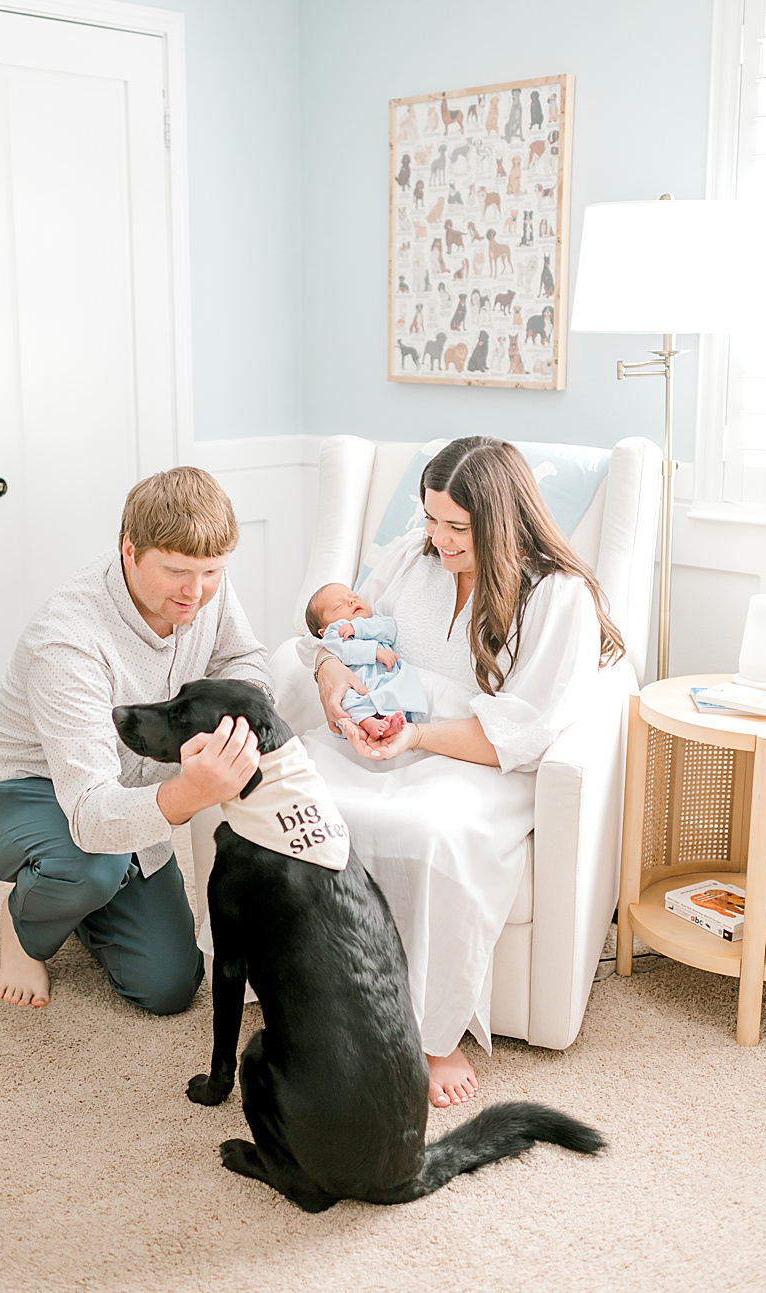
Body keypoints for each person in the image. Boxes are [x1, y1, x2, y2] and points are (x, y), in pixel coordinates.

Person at [305, 437, 624, 1109]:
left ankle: (433, 1034)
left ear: (502, 521)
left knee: (429, 832)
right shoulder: (408, 557)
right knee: (290, 797)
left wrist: (417, 734)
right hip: (386, 732)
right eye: (430, 518)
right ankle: (304, 985)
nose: (438, 539)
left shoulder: (557, 595)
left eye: (457, 527)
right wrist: (335, 682)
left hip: (481, 758)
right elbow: (340, 636)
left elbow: (525, 727)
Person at [0, 467, 269, 1015]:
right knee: (93, 863)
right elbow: (91, 815)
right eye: (178, 572)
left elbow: (243, 659)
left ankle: (70, 899)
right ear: (129, 549)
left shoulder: (204, 586)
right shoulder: (68, 641)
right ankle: (26, 923)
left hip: (118, 796)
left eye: (212, 571)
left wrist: (238, 719)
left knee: (169, 988)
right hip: (11, 786)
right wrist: (192, 791)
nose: (196, 591)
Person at [303, 581, 429, 739]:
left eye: (354, 596)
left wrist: (359, 628)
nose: (351, 601)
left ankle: (391, 721)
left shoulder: (376, 622)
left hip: (386, 676)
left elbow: (390, 629)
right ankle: (368, 722)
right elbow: (344, 650)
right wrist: (374, 652)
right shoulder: (335, 632)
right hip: (358, 680)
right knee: (347, 697)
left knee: (398, 687)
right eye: (338, 606)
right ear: (324, 631)